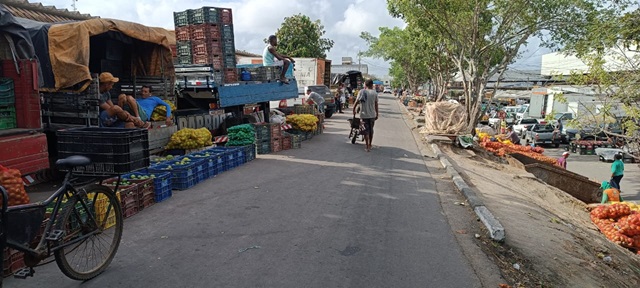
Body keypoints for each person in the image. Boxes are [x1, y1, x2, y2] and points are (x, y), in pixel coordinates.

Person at [353, 79, 379, 152]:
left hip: (364, 115)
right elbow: (376, 104)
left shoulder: (361, 91)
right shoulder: (374, 93)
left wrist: (354, 110)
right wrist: (377, 114)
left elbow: (356, 101)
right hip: (372, 115)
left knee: (365, 131)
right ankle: (370, 144)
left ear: (365, 85)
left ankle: (367, 145)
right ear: (371, 85)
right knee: (371, 130)